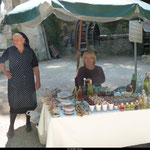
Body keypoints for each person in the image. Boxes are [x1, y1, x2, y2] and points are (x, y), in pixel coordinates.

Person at [0, 32, 41, 138]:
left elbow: (35, 67)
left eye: (17, 39)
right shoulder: (10, 51)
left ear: (23, 40)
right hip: (15, 83)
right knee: (14, 104)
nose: (15, 41)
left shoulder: (30, 52)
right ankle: (11, 126)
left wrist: (38, 81)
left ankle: (28, 122)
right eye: (14, 40)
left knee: (29, 103)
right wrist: (5, 72)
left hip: (28, 82)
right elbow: (1, 61)